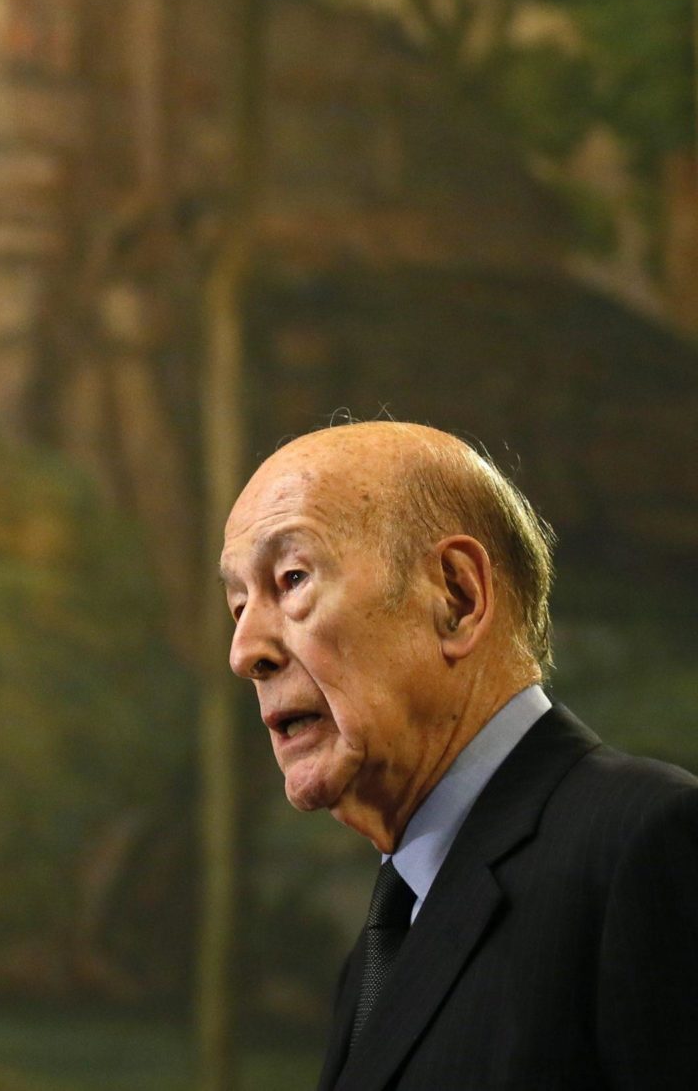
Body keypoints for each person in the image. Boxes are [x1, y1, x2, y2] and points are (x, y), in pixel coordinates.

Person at [219, 421, 698, 1091]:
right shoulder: (381, 948)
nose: (245, 652)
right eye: (239, 605)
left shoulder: (645, 845)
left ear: (457, 596)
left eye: (291, 578)